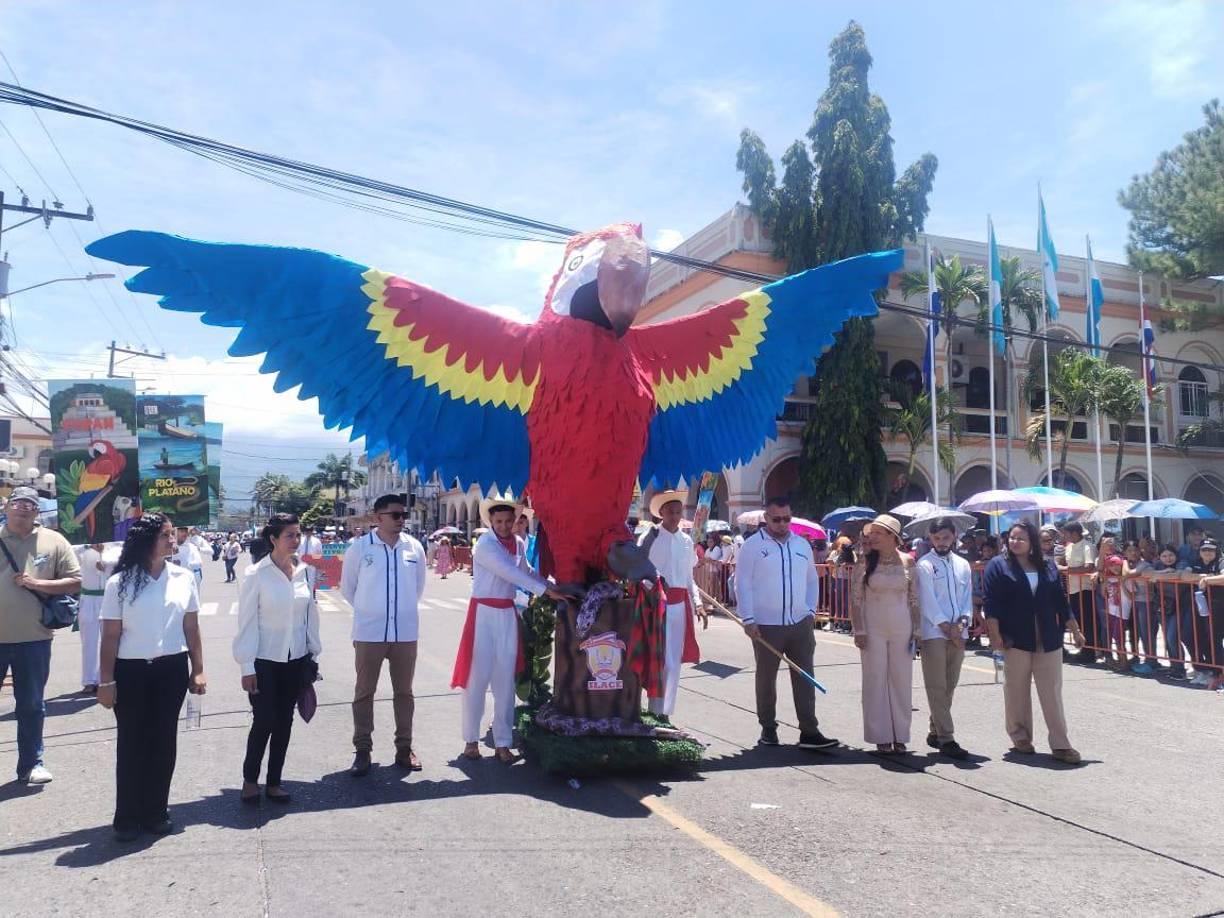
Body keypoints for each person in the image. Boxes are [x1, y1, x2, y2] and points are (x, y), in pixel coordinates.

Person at [97, 514, 207, 840]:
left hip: (171, 670)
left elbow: (192, 627)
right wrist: (106, 681)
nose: (173, 541)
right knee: (132, 744)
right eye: (166, 536)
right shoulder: (120, 583)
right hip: (130, 672)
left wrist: (198, 669)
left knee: (163, 743)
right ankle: (127, 818)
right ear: (146, 541)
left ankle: (156, 811)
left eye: (174, 534)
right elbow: (110, 637)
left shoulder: (184, 578)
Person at [452, 496, 564, 762]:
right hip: (483, 615)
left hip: (507, 613)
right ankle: (471, 740)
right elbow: (510, 574)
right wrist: (546, 590)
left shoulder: (520, 543)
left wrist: (555, 586)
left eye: (508, 521)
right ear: (490, 521)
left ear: (516, 521)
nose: (503, 526)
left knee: (505, 681)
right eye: (498, 521)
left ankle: (503, 743)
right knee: (476, 679)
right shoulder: (484, 546)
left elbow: (527, 572)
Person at [734, 496, 837, 751]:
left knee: (805, 676)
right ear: (765, 519)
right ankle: (768, 728)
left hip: (800, 623)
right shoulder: (752, 546)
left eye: (786, 519)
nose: (782, 524)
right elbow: (742, 583)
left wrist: (811, 611)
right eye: (776, 519)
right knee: (766, 678)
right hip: (765, 625)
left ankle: (809, 731)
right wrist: (748, 618)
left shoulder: (802, 545)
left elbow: (812, 580)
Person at [233, 513, 321, 804]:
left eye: (298, 534)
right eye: (289, 535)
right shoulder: (256, 574)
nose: (296, 540)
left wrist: (313, 654)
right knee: (264, 720)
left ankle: (274, 782)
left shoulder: (306, 572)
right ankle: (249, 779)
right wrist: (247, 666)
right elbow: (246, 622)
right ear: (273, 539)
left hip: (295, 659)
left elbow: (310, 616)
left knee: (285, 721)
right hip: (264, 659)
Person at [983, 521, 1085, 765]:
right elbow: (991, 603)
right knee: (1016, 690)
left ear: (1033, 544)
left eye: (1021, 539)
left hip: (1048, 636)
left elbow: (1061, 601)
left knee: (1052, 692)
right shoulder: (998, 566)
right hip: (1015, 637)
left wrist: (1075, 630)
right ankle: (1021, 738)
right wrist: (995, 636)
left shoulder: (1048, 565)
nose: (1015, 542)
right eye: (1012, 538)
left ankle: (1061, 745)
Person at [340, 494, 427, 776]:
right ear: (378, 518)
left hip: (405, 632)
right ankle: (362, 749)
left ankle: (404, 748)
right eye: (395, 515)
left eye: (404, 514)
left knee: (405, 692)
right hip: (369, 632)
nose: (402, 519)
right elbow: (348, 588)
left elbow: (418, 588)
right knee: (364, 692)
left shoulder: (414, 548)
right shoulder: (360, 548)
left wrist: (398, 612)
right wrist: (370, 611)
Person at [0, 487, 82, 785]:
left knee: (32, 705)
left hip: (34, 639)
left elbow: (75, 581)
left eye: (30, 504)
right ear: (7, 507)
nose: (23, 508)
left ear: (37, 511)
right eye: (18, 503)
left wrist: (38, 583)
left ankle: (31, 764)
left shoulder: (54, 540)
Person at [850, 515, 920, 754]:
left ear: (893, 537)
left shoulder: (908, 562)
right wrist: (859, 629)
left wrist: (917, 630)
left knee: (901, 680)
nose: (873, 537)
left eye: (879, 533)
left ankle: (900, 734)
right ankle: (880, 734)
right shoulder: (865, 562)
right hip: (873, 628)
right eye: (872, 533)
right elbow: (856, 599)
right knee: (875, 679)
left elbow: (914, 599)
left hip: (902, 627)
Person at [638, 490, 707, 723]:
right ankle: (653, 709)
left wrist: (698, 604)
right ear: (662, 513)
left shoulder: (687, 541)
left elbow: (689, 579)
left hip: (680, 607)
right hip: (656, 605)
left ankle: (665, 712)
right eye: (670, 511)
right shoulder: (650, 537)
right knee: (659, 658)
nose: (675, 516)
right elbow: (640, 570)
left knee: (674, 661)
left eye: (678, 511)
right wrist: (654, 588)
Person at [915, 518, 973, 759]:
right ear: (930, 538)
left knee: (950, 684)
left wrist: (962, 624)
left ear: (954, 537)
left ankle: (934, 728)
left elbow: (966, 597)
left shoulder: (963, 564)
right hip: (934, 633)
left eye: (945, 537)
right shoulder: (924, 565)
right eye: (936, 538)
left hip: (958, 632)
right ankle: (947, 738)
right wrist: (947, 628)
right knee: (936, 686)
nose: (941, 542)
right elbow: (927, 601)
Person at [75, 540, 120, 693]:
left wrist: (106, 567)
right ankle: (89, 680)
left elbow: (121, 566)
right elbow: (71, 552)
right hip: (88, 598)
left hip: (109, 598)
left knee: (110, 639)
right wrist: (88, 546)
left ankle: (106, 678)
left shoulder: (116, 547)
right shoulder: (82, 548)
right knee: (89, 641)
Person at [1151, 544, 1193, 681]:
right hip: (1163, 605)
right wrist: (1162, 573)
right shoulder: (1157, 565)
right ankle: (1176, 667)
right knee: (1168, 638)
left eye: (1170, 555)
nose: (1168, 558)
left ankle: (1182, 668)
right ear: (1159, 557)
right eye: (1164, 555)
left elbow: (1180, 575)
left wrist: (1158, 577)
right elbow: (1147, 574)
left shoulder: (1182, 563)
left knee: (1172, 636)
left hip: (1181, 605)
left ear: (1176, 555)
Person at [1058, 522, 1098, 664]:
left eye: (1067, 533)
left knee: (1087, 621)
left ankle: (1090, 651)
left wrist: (1065, 570)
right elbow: (1065, 563)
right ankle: (1083, 649)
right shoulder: (1068, 547)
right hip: (1073, 589)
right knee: (1078, 620)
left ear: (1074, 533)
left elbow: (1089, 566)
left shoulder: (1087, 546)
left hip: (1085, 589)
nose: (1065, 536)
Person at [1189, 539, 1224, 688]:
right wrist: (1202, 577)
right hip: (1203, 607)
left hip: (1219, 605)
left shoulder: (1221, 562)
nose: (1207, 552)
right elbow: (1183, 575)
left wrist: (1208, 579)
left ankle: (1219, 674)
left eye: (1211, 550)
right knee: (1205, 638)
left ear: (1216, 552)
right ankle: (1214, 672)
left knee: (1215, 639)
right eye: (1204, 549)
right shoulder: (1196, 562)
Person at [1122, 540, 1158, 674]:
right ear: (1125, 552)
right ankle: (1143, 657)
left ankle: (1151, 660)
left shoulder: (1144, 565)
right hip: (1133, 602)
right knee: (1137, 632)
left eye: (1135, 550)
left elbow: (1128, 574)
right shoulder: (1130, 564)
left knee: (1147, 632)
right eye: (1129, 550)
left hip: (1146, 601)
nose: (1133, 553)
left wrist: (1124, 562)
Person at [1098, 535, 1129, 670]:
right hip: (1111, 608)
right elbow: (1100, 570)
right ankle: (1117, 659)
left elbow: (1126, 573)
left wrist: (1124, 563)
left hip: (1123, 609)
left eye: (1117, 566)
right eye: (1112, 566)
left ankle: (1124, 661)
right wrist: (1102, 551)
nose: (1115, 568)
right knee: (1113, 633)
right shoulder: (1107, 578)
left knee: (1119, 634)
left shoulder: (1124, 577)